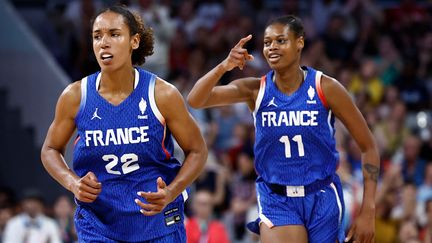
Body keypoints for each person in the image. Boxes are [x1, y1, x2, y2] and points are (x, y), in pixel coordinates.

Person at [187, 15, 379, 243]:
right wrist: (224, 65)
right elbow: (196, 99)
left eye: (281, 41)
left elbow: (369, 147)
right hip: (277, 198)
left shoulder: (325, 87)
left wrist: (368, 209)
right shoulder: (255, 90)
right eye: (267, 43)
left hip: (322, 195)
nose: (272, 47)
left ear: (300, 42)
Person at [41, 5, 207, 242]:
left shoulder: (162, 94)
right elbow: (49, 149)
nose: (103, 43)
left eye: (114, 34)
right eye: (97, 36)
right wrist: (72, 182)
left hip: (156, 220)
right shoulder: (75, 96)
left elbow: (198, 150)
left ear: (134, 41)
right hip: (99, 223)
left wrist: (172, 191)